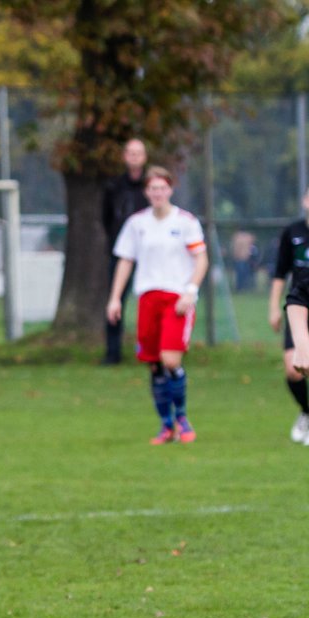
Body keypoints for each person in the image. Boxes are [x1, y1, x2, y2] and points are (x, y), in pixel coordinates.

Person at [106, 165, 208, 444]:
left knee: (170, 359)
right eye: (152, 188)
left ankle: (182, 418)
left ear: (170, 190)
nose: (157, 193)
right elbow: (126, 260)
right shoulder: (137, 224)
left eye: (162, 188)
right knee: (153, 364)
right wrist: (115, 297)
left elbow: (201, 258)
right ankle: (166, 426)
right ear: (146, 192)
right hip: (148, 297)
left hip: (176, 299)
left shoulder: (185, 221)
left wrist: (190, 290)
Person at [101, 138, 150, 364]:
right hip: (121, 254)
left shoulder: (151, 187)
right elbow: (106, 218)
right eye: (130, 152)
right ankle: (113, 353)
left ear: (144, 156)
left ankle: (152, 349)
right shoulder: (113, 186)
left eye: (138, 153)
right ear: (124, 156)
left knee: (150, 300)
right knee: (115, 300)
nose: (134, 157)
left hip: (150, 254)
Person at [268, 186, 309, 444]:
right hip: (301, 310)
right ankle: (306, 412)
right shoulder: (292, 232)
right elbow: (281, 275)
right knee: (294, 369)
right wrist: (274, 307)